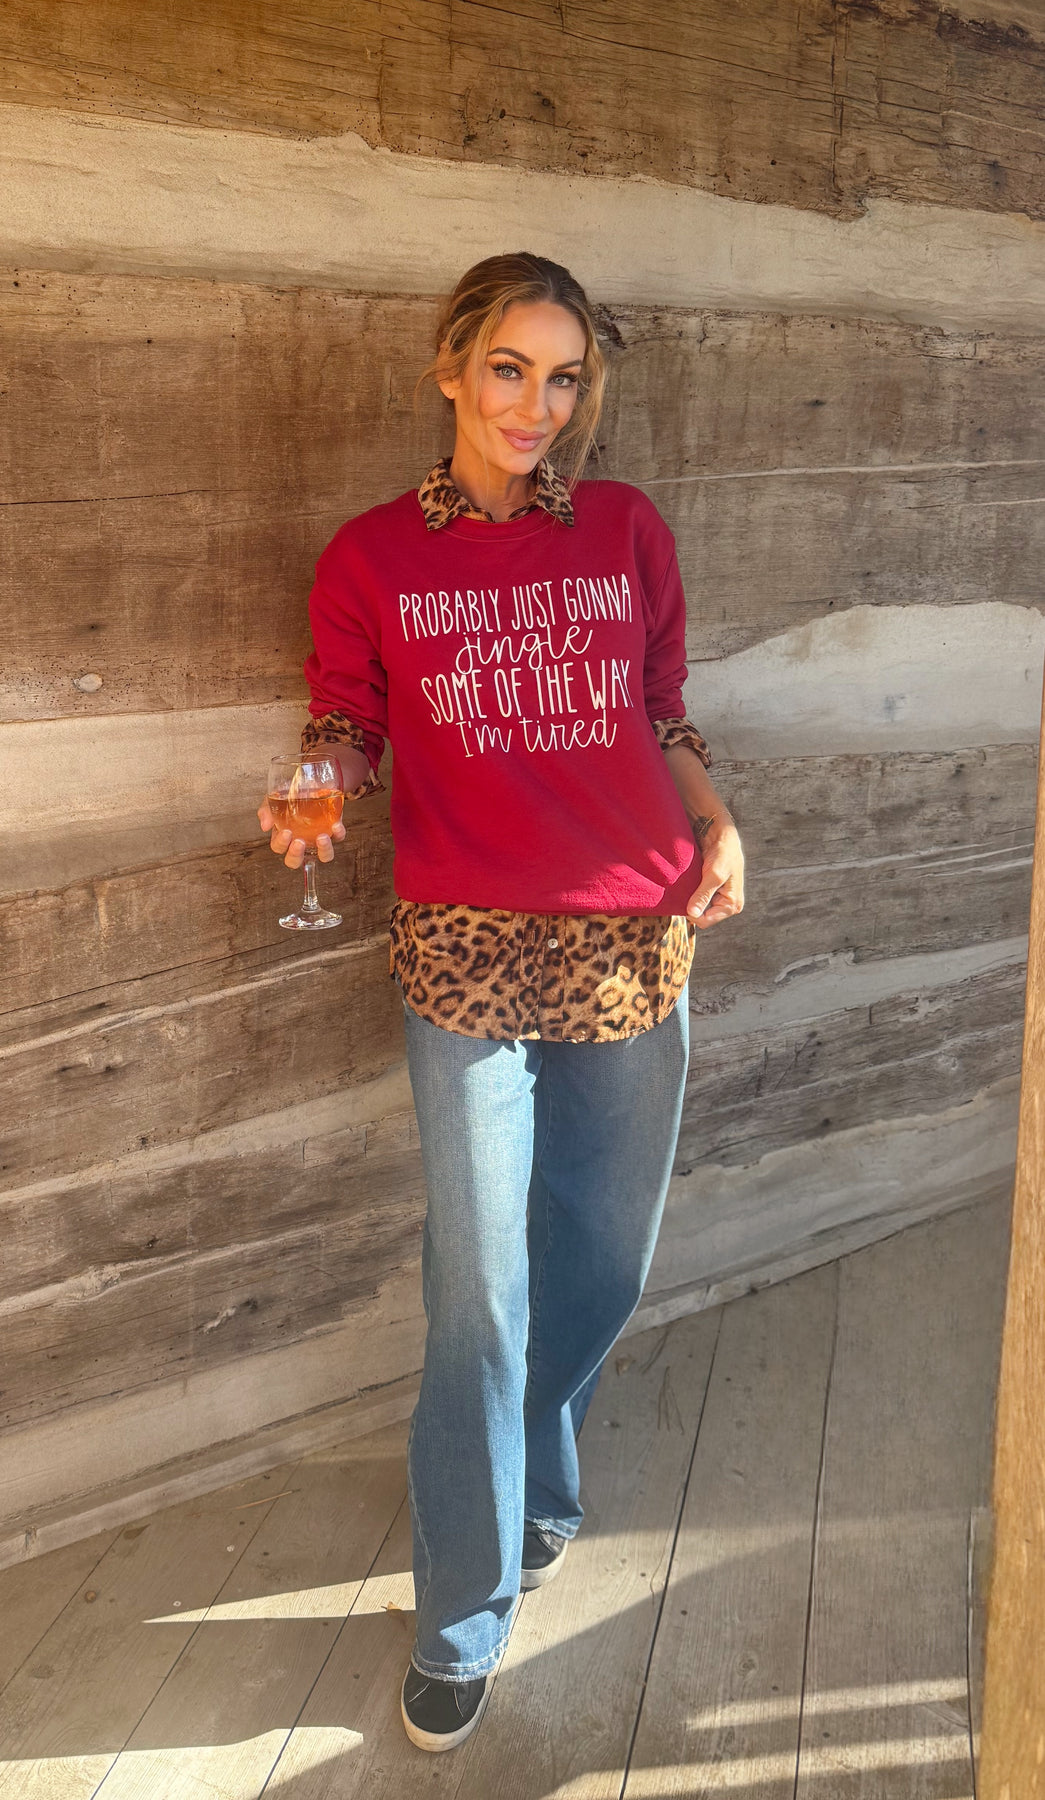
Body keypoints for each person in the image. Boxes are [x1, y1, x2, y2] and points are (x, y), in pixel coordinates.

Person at [258, 252, 745, 1753]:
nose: (537, 405)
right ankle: (462, 1612)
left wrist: (717, 820)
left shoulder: (624, 529)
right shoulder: (372, 558)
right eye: (509, 370)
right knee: (477, 1283)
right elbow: (347, 724)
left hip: (629, 933)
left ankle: (536, 1471)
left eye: (563, 377)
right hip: (460, 947)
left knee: (601, 1255)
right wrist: (317, 785)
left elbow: (660, 710)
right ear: (452, 370)